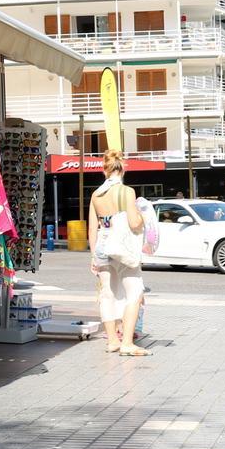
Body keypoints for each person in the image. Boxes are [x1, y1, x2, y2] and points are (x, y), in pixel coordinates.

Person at [88, 151, 148, 357]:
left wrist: (93, 257)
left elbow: (92, 227)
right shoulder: (127, 192)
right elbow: (134, 223)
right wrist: (144, 217)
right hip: (122, 247)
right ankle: (128, 343)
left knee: (107, 293)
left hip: (102, 247)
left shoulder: (96, 195)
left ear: (104, 169)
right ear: (123, 168)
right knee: (135, 292)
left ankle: (112, 340)